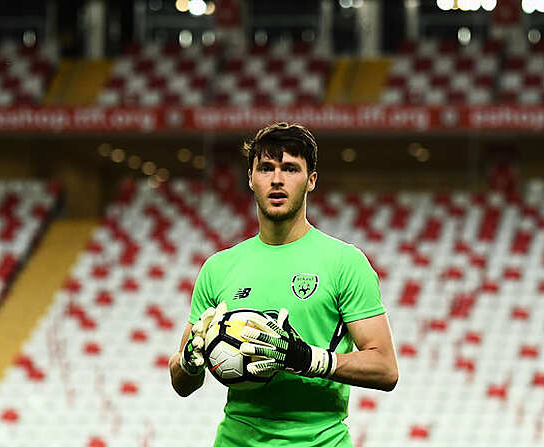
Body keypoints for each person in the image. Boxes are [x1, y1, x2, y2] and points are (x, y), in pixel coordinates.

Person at [168, 122, 398, 447]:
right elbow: (182, 383)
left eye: (290, 168)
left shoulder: (345, 263)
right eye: (266, 168)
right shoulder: (218, 268)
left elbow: (385, 368)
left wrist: (307, 359)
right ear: (250, 178)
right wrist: (188, 362)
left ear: (311, 180)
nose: (277, 180)